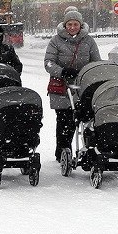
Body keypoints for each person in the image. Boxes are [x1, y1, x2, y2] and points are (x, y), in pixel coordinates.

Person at [44, 8, 101, 161]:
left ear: (80, 25)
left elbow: (96, 62)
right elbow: (48, 63)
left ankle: (90, 148)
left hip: (83, 86)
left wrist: (88, 73)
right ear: (65, 24)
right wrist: (62, 71)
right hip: (62, 87)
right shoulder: (56, 41)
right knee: (65, 120)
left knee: (87, 118)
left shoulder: (88, 41)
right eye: (69, 24)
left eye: (75, 24)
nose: (72, 27)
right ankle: (62, 151)